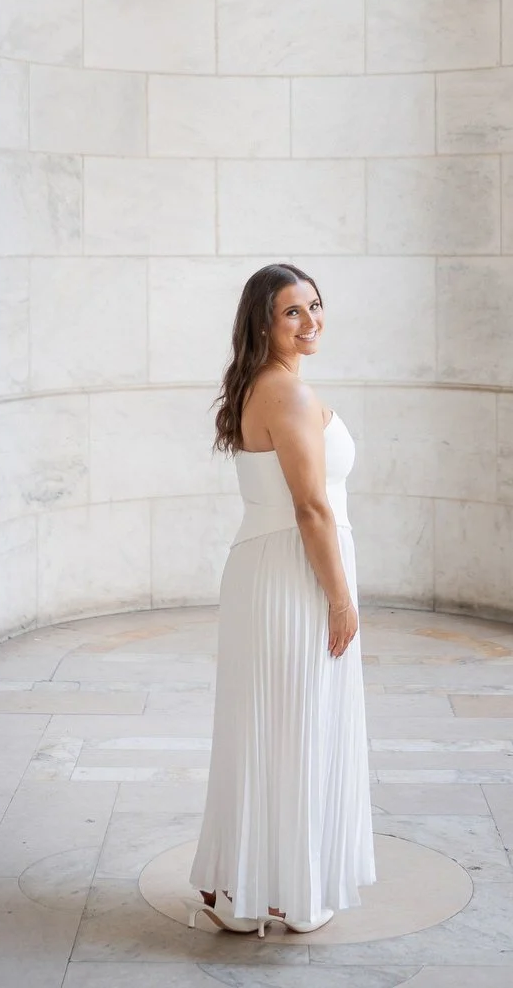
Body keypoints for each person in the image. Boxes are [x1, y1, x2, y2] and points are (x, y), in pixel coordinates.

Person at [188, 262, 375, 936]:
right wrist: (341, 600)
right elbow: (312, 510)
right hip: (293, 576)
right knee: (295, 721)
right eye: (292, 311)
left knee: (266, 721)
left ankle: (236, 885)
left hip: (267, 571)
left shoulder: (263, 387)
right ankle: (275, 895)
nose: (311, 320)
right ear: (263, 322)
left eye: (315, 306)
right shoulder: (286, 395)